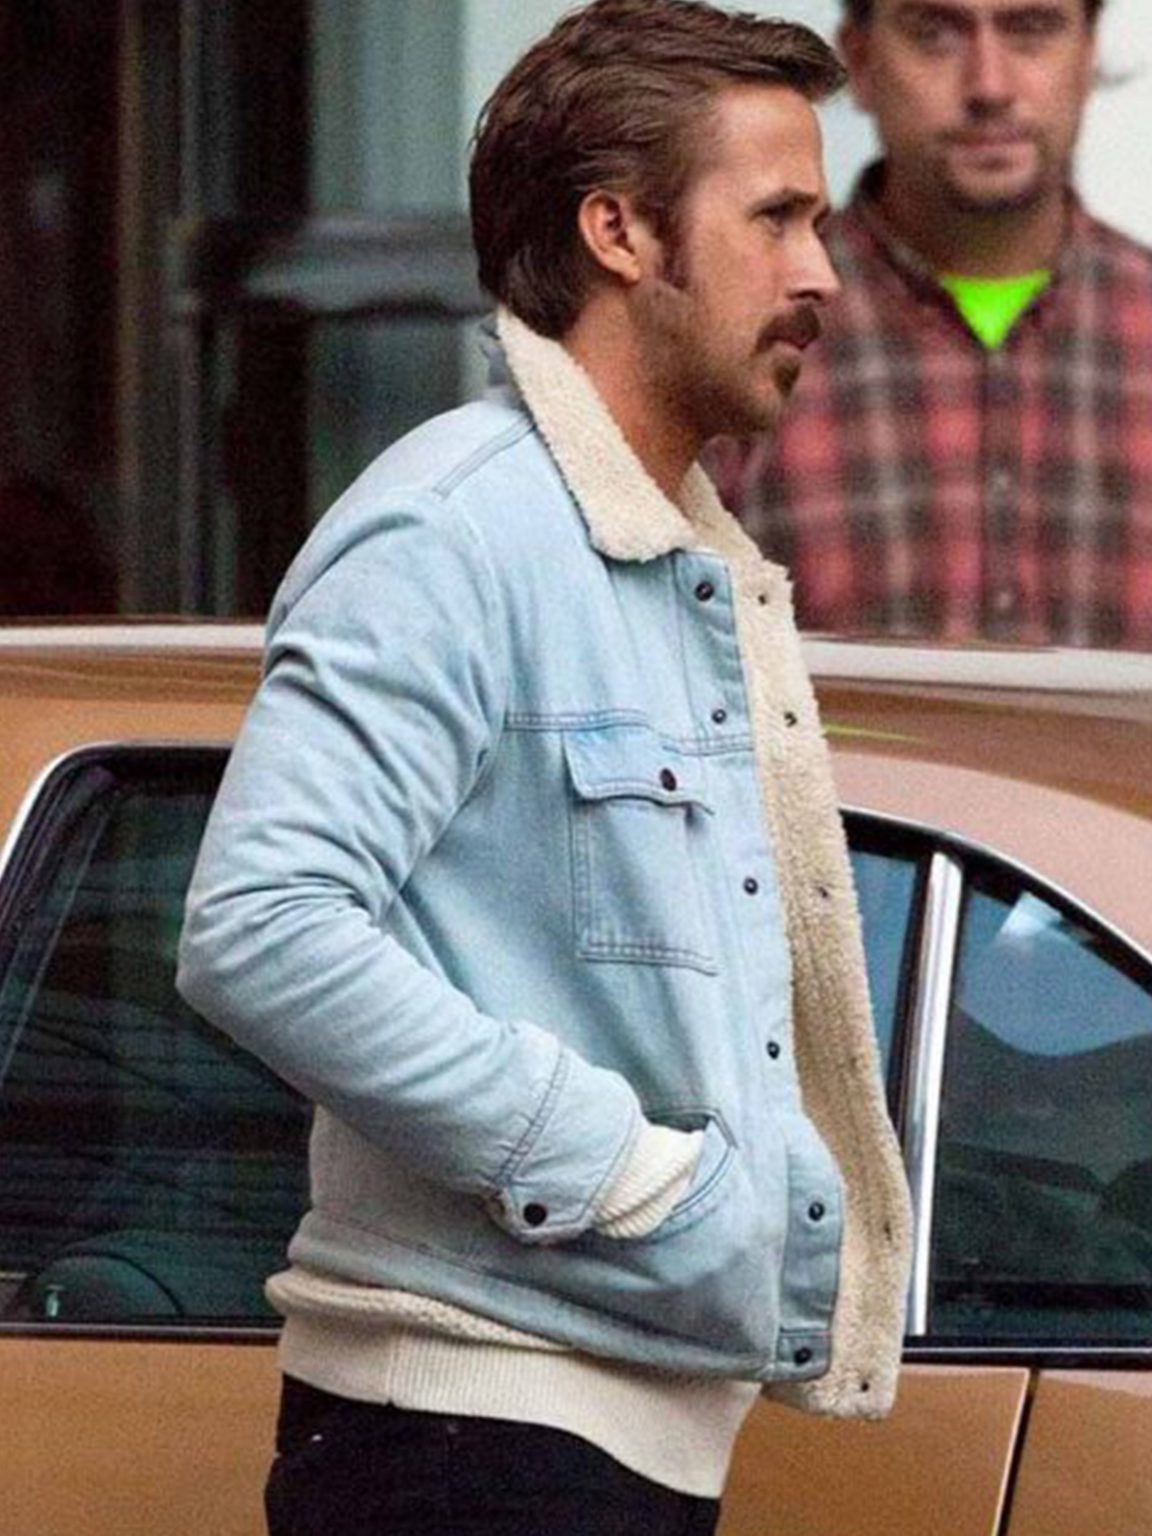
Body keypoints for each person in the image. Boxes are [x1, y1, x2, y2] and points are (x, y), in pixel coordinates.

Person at [177, 3, 912, 1532]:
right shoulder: (455, 531)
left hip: (584, 1448)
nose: (821, 276)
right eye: (776, 218)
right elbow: (259, 923)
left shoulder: (671, 560)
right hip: (473, 1438)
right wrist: (619, 1169)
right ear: (619, 231)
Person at [709, 0, 1152, 648]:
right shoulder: (739, 327)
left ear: (1088, 55)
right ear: (860, 60)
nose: (989, 86)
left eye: (1031, 29)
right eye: (935, 33)